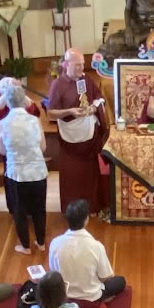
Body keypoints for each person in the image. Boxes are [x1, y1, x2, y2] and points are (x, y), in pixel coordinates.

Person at [45, 47, 109, 216]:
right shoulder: (58, 85)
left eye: (83, 64)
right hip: (70, 141)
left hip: (88, 137)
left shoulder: (85, 79)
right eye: (78, 65)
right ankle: (73, 211)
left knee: (90, 175)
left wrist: (94, 108)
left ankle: (92, 206)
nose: (82, 69)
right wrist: (70, 112)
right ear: (66, 64)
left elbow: (98, 97)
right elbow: (50, 113)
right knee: (73, 176)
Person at [0, 84, 48, 254]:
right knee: (39, 209)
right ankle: (41, 243)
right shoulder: (35, 121)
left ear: (8, 102)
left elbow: (2, 151)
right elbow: (43, 147)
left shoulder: (2, 124)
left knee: (19, 212)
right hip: (38, 172)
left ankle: (25, 246)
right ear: (23, 100)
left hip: (16, 174)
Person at [47, 198, 125, 303]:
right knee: (120, 281)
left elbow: (53, 272)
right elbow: (105, 277)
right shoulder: (96, 246)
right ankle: (101, 300)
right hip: (91, 296)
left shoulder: (55, 243)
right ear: (86, 220)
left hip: (64, 295)